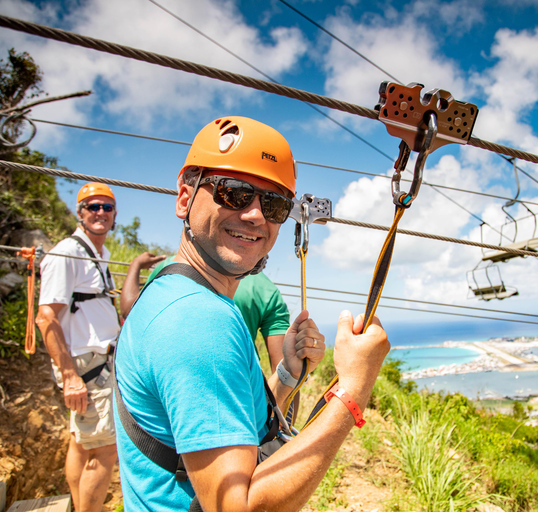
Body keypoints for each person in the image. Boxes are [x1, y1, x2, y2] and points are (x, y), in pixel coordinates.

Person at [114, 116, 389, 511]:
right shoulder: (199, 321)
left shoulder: (171, 291)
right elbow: (238, 507)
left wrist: (288, 375)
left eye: (275, 205)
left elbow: (228, 432)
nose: (256, 215)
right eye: (234, 193)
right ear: (184, 197)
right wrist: (354, 388)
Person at [36, 182, 121, 512]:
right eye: (92, 206)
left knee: (83, 443)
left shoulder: (99, 254)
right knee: (105, 449)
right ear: (80, 212)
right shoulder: (67, 253)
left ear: (114, 215)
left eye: (106, 207)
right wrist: (70, 375)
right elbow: (46, 318)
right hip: (88, 366)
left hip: (96, 361)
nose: (100, 213)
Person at [121, 255, 289, 373]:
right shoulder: (268, 291)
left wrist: (135, 265)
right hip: (240, 384)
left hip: (163, 382)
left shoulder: (169, 267)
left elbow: (129, 311)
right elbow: (282, 368)